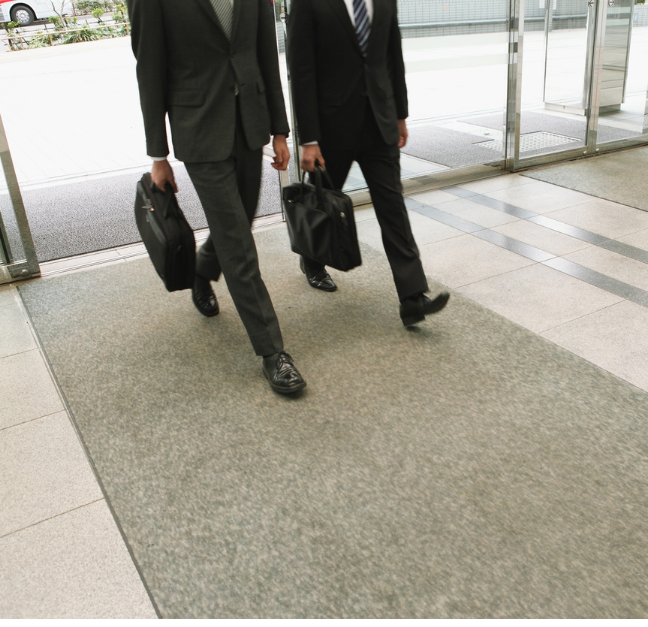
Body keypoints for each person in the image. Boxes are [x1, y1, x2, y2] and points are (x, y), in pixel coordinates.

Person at [129, 0, 306, 394]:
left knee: (241, 222)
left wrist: (279, 129)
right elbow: (149, 70)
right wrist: (158, 156)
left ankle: (202, 268)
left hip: (250, 122)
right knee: (238, 242)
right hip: (198, 128)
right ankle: (272, 352)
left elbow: (265, 55)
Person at [286, 0, 449, 326]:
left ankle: (412, 297)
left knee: (393, 207)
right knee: (321, 202)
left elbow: (393, 57)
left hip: (379, 123)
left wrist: (400, 114)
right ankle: (312, 259)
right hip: (331, 127)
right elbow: (301, 70)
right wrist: (309, 139)